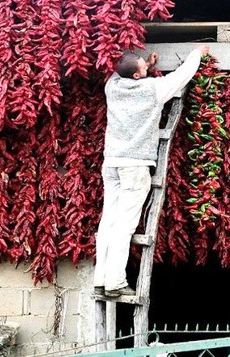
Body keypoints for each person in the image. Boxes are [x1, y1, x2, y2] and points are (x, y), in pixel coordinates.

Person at [94, 45, 208, 297]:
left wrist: (146, 64)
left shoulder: (112, 86)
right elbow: (181, 76)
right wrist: (196, 54)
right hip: (135, 166)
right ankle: (114, 281)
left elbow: (122, 72)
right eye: (144, 68)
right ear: (137, 76)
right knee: (125, 224)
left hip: (112, 162)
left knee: (108, 220)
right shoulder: (152, 90)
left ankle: (100, 278)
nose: (147, 68)